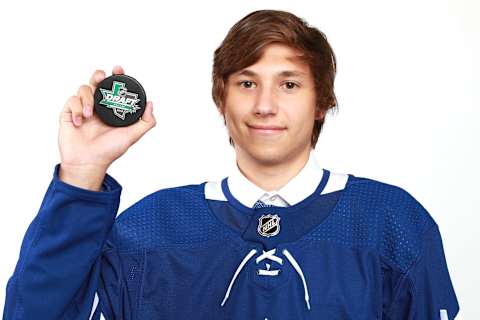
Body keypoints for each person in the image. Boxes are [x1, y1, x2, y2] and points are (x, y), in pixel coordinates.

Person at [3, 9, 459, 320]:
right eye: (246, 82)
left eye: (289, 84)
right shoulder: (149, 230)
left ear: (322, 101)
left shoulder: (392, 223)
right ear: (222, 97)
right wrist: (83, 171)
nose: (264, 105)